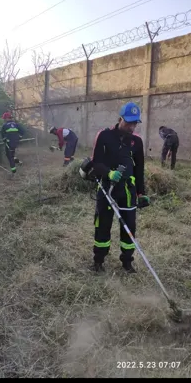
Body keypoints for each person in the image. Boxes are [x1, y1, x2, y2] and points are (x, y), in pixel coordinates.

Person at [80, 101, 150, 273]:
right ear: (120, 119)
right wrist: (109, 173)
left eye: (135, 123)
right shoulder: (104, 136)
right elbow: (96, 162)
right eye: (129, 122)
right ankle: (98, 261)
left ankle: (127, 261)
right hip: (106, 187)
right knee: (103, 224)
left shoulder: (137, 142)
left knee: (129, 226)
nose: (132, 127)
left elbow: (139, 169)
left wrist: (141, 193)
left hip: (127, 190)